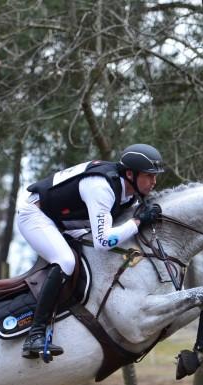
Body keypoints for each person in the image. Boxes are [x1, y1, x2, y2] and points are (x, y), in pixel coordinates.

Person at [16, 144, 167, 359]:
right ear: (131, 174)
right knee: (66, 261)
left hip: (66, 222)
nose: (154, 182)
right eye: (149, 176)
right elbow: (103, 241)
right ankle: (35, 334)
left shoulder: (128, 191)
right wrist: (137, 221)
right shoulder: (101, 188)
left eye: (155, 176)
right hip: (35, 215)